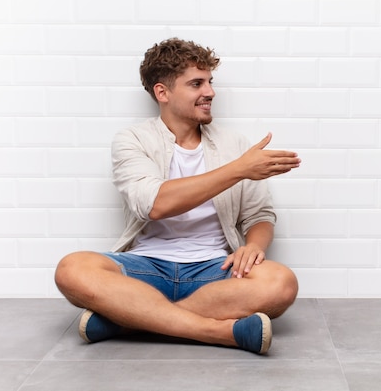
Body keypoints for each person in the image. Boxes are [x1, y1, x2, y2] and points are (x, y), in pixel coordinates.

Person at [54, 38, 300, 355]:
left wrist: (253, 245)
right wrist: (238, 169)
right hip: (145, 268)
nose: (209, 92)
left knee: (281, 282)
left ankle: (131, 319)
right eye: (196, 83)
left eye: (210, 82)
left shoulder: (234, 145)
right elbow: (154, 204)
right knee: (71, 269)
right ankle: (217, 331)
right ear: (163, 92)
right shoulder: (132, 140)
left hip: (215, 270)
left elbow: (259, 216)